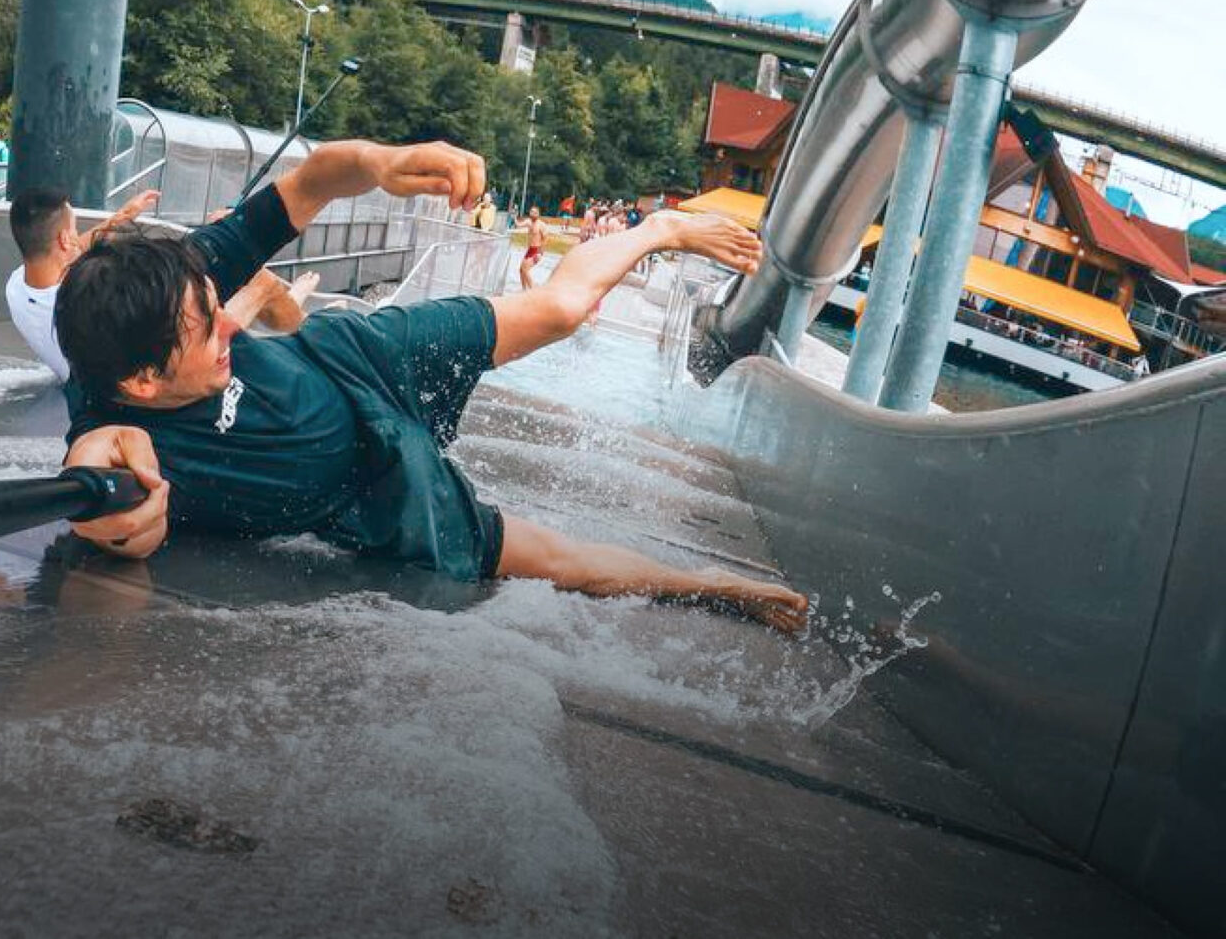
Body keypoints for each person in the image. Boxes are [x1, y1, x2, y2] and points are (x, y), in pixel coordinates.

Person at [57, 139, 809, 633]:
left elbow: (315, 178)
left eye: (218, 308)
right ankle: (705, 582)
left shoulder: (172, 282)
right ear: (139, 382)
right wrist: (108, 511)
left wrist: (382, 164)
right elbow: (104, 473)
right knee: (560, 561)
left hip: (357, 357)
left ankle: (656, 232)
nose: (232, 324)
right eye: (207, 332)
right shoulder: (117, 437)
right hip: (372, 495)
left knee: (561, 309)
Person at [6, 188, 314, 381]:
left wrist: (122, 216)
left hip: (89, 377)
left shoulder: (18, 284)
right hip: (148, 374)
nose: (77, 237)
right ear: (63, 239)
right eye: (73, 230)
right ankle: (304, 323)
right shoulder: (85, 302)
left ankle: (292, 305)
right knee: (259, 280)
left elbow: (74, 247)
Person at [519, 205, 548, 291]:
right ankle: (524, 290)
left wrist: (540, 252)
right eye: (531, 212)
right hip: (530, 249)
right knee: (521, 270)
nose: (533, 214)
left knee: (525, 270)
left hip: (536, 250)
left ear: (538, 214)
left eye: (535, 212)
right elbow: (519, 225)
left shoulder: (541, 225)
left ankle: (532, 290)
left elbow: (546, 238)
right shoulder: (529, 222)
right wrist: (514, 218)